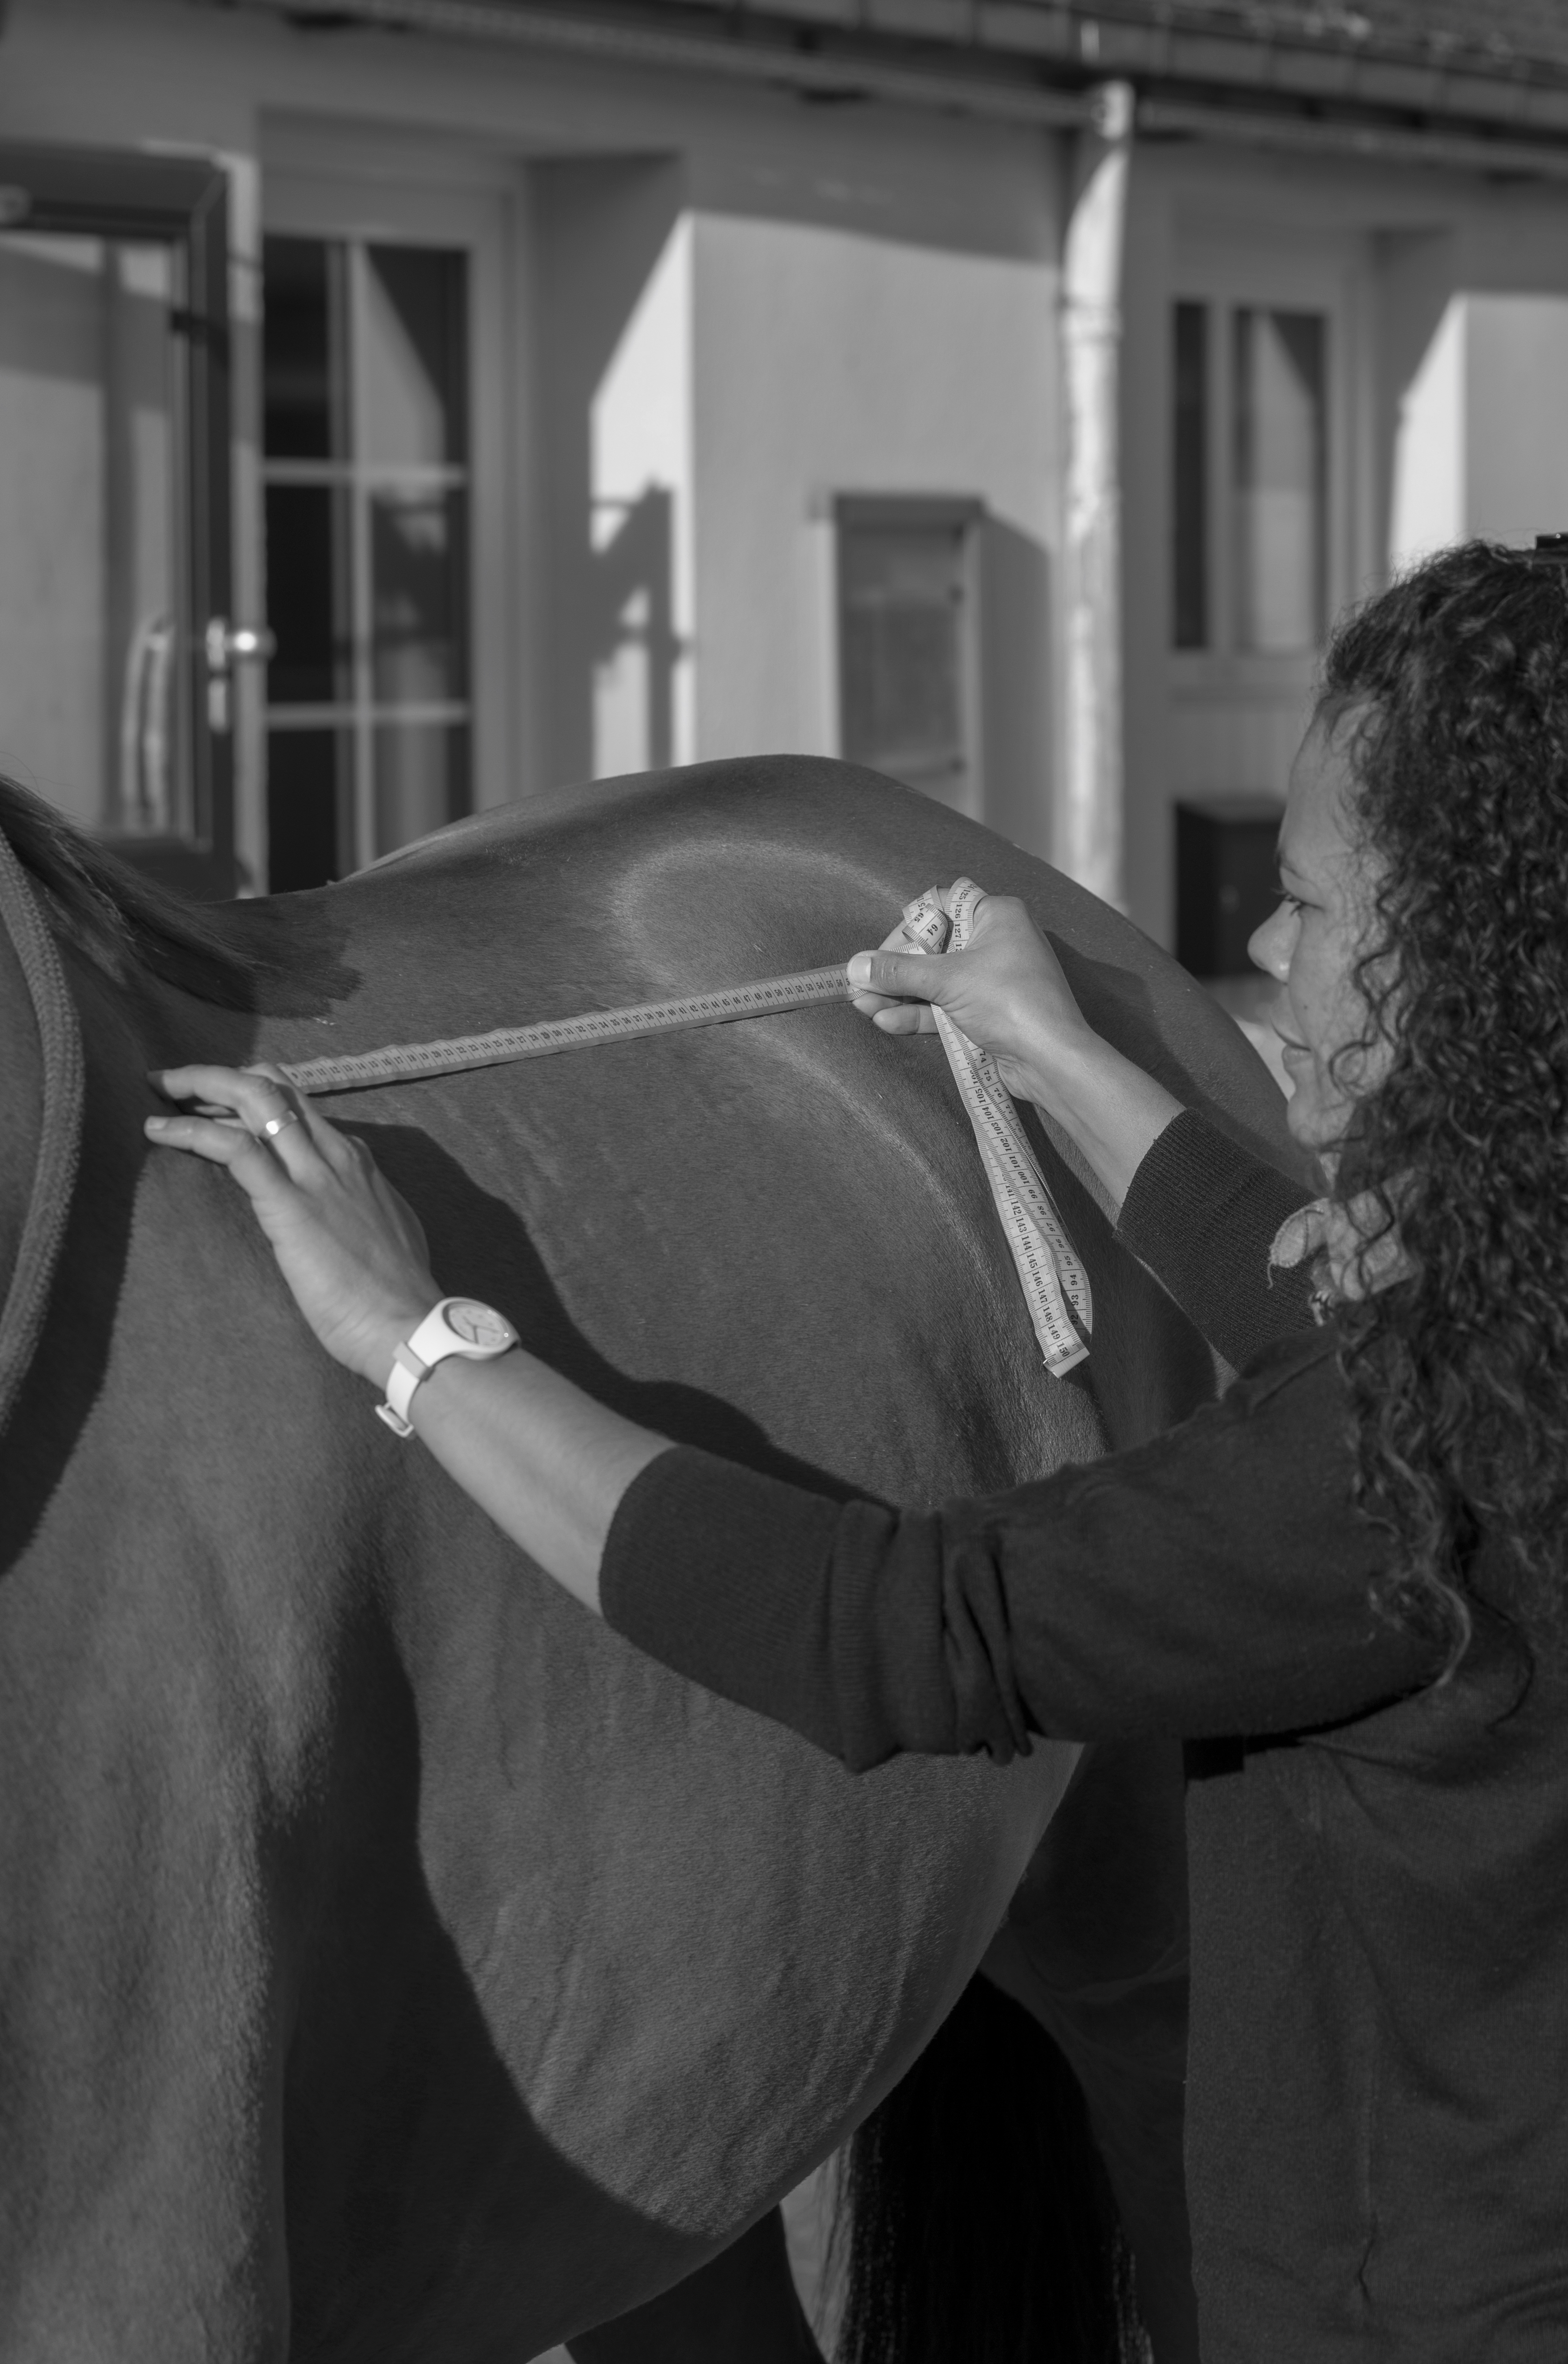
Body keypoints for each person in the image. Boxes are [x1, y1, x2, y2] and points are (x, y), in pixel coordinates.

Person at [146, 541, 1568, 2360]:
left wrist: (409, 1340)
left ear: (1479, 959)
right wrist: (1047, 1046)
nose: (1270, 954)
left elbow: (898, 1627)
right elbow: (1307, 1319)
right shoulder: (1498, 1354)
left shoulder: (1407, 1471)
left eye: (1306, 906)